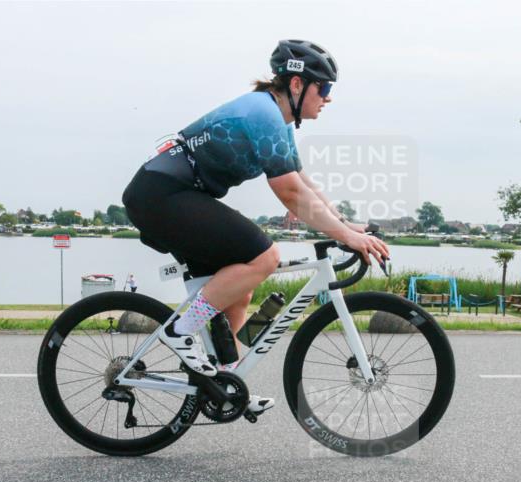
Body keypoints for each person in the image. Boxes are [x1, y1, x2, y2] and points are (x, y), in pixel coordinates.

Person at [122, 40, 389, 416]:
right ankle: (180, 332)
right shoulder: (262, 114)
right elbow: (290, 193)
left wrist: (346, 225)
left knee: (240, 289)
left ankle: (224, 382)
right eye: (324, 87)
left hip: (175, 195)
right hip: (161, 195)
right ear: (296, 84)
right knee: (264, 257)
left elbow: (303, 183)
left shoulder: (276, 119)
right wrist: (347, 237)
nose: (328, 97)